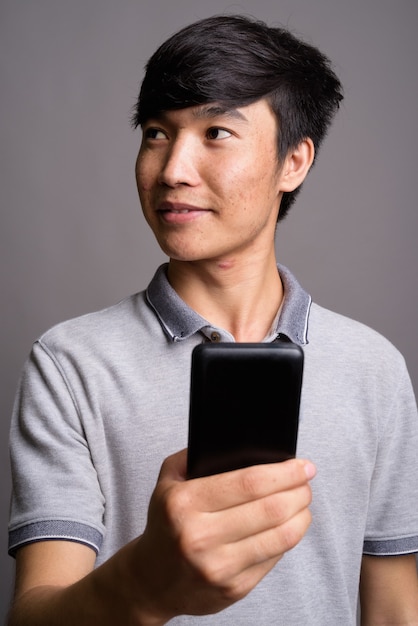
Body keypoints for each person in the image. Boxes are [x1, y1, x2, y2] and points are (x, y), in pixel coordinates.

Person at [7, 14, 418, 625]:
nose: (172, 169)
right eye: (155, 133)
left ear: (294, 162)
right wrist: (145, 583)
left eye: (217, 132)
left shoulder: (374, 367)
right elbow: (34, 614)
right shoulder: (70, 363)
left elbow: (393, 608)